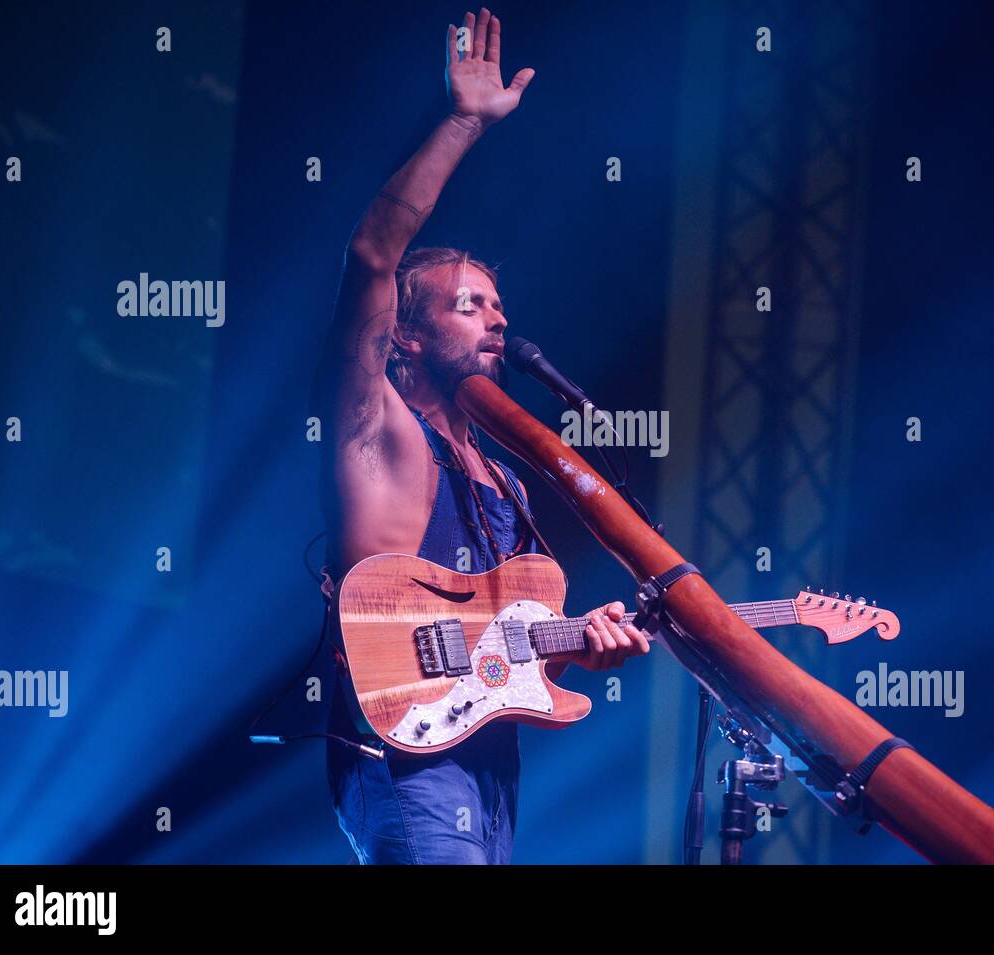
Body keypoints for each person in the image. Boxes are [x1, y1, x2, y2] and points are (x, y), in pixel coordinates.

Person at [312, 7, 650, 865]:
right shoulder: (378, 426)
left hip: (489, 768)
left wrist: (582, 644)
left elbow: (502, 663)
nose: (497, 321)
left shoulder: (506, 483)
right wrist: (464, 121)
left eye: (499, 307)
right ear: (406, 335)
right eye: (470, 305)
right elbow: (371, 256)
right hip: (401, 752)